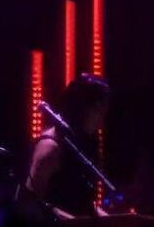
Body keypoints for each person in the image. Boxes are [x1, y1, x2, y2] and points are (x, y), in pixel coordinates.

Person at [25, 73, 111, 217]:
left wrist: (113, 222)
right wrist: (73, 223)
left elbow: (81, 205)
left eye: (104, 113)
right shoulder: (51, 146)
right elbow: (30, 201)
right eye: (98, 111)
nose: (101, 120)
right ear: (81, 108)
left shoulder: (77, 146)